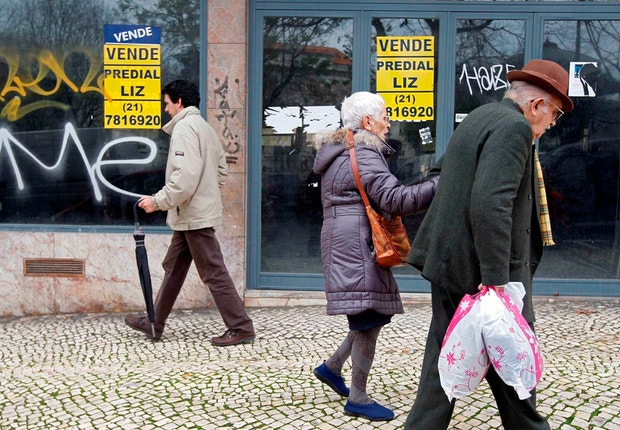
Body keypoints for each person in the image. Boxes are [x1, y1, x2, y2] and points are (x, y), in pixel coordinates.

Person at [403, 59, 574, 429]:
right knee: (513, 357)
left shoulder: (481, 116)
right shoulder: (514, 128)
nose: (553, 123)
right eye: (556, 113)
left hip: (451, 263)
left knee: (444, 361)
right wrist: (495, 278)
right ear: (536, 105)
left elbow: (443, 172)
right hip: (485, 273)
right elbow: (491, 203)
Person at [311, 91, 438, 422]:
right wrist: (441, 184)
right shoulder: (364, 153)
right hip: (357, 244)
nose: (388, 123)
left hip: (348, 240)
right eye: (385, 116)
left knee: (371, 313)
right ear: (368, 121)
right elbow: (395, 200)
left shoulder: (343, 151)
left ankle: (332, 367)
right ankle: (358, 398)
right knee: (367, 318)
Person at [124, 80, 255, 347]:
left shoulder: (184, 128)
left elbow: (183, 178)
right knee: (173, 268)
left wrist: (158, 201)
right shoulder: (205, 128)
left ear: (179, 102)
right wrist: (204, 192)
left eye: (167, 103)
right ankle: (154, 322)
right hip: (190, 214)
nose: (165, 109)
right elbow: (220, 171)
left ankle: (241, 327)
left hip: (194, 215)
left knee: (213, 272)